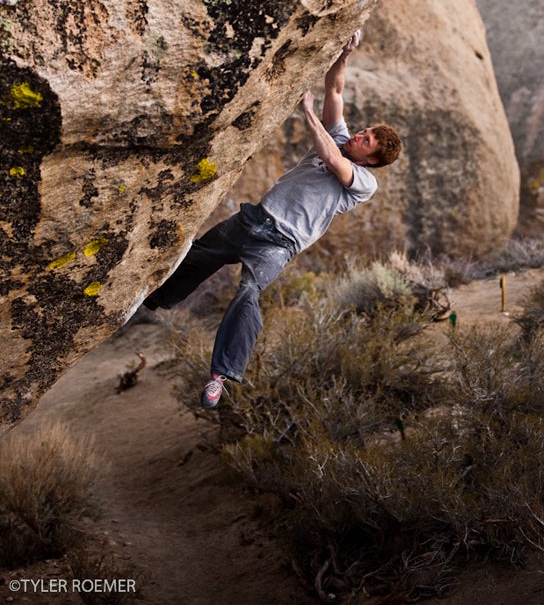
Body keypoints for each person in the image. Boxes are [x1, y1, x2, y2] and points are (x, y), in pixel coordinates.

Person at [144, 31, 403, 407]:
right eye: (363, 132)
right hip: (252, 219)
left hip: (278, 244)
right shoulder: (340, 137)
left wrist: (309, 113)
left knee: (248, 293)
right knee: (195, 256)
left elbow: (333, 160)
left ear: (373, 159)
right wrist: (345, 54)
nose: (359, 136)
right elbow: (335, 90)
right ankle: (150, 300)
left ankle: (220, 375)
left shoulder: (364, 181)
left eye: (366, 141)